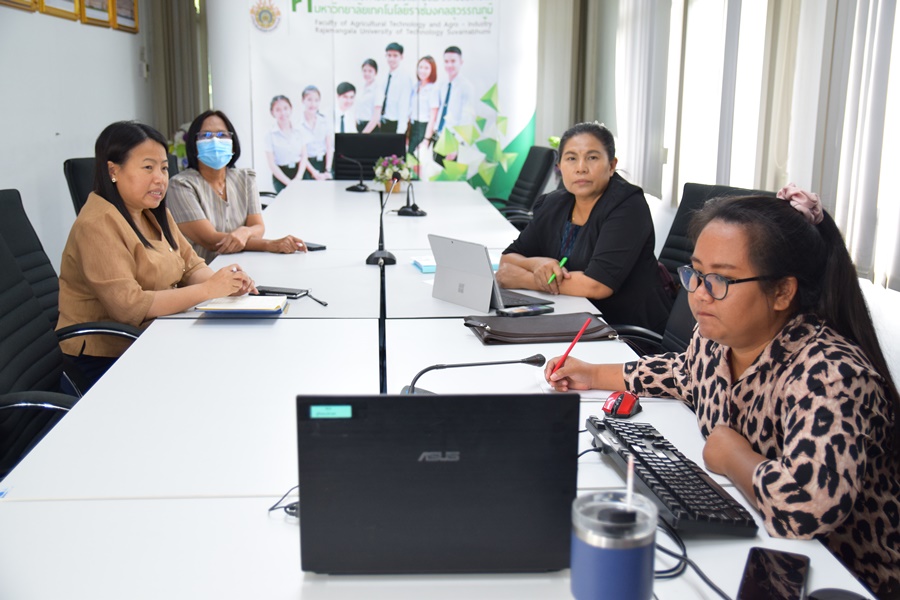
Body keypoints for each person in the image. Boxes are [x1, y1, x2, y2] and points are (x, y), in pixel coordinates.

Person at [544, 186, 900, 598]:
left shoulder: (829, 374)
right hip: (759, 542)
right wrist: (593, 374)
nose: (697, 293)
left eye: (721, 280)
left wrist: (733, 456)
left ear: (783, 291)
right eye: (695, 273)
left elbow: (805, 507)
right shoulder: (717, 337)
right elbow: (685, 374)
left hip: (843, 577)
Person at [57, 121, 255, 390]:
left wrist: (225, 285)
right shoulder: (96, 224)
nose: (160, 178)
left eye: (163, 168)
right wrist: (209, 290)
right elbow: (130, 306)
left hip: (151, 337)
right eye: (148, 167)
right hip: (105, 358)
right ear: (113, 170)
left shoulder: (151, 210)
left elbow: (190, 264)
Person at [497, 122, 672, 334]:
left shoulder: (628, 206)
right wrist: (537, 264)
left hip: (622, 331)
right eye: (571, 158)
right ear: (560, 166)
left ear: (612, 165)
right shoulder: (553, 204)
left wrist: (526, 279)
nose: (581, 167)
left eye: (592, 157)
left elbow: (597, 285)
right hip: (570, 316)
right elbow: (508, 260)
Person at [167, 110, 307, 263]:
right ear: (194, 145)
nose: (215, 141)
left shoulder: (245, 177)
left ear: (233, 144)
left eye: (222, 135)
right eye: (206, 135)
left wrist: (244, 232)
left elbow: (258, 227)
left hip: (244, 265)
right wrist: (270, 244)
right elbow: (211, 240)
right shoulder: (180, 185)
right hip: (203, 275)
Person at [433, 46, 475, 165]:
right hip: (439, 135)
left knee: (448, 180)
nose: (449, 65)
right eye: (446, 61)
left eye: (453, 61)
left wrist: (456, 146)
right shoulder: (443, 84)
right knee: (434, 176)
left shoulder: (466, 86)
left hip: (453, 139)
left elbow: (467, 119)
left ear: (461, 62)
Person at [264, 95, 308, 193]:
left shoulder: (299, 130)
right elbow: (272, 164)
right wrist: (289, 183)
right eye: (278, 110)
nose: (282, 113)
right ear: (272, 112)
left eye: (285, 108)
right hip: (281, 176)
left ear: (291, 109)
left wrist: (298, 178)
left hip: (300, 174)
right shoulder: (270, 135)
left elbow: (304, 155)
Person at [409, 55, 440, 169]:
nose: (422, 70)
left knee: (418, 163)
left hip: (424, 128)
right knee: (409, 159)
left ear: (432, 70)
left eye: (426, 68)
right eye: (420, 67)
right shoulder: (415, 86)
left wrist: (426, 140)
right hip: (413, 127)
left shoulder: (433, 89)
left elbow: (433, 116)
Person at [298, 85, 334, 180]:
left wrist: (328, 170)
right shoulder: (298, 125)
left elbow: (329, 147)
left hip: (324, 164)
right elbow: (301, 153)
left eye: (316, 100)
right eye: (309, 100)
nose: (313, 104)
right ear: (303, 100)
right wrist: (314, 173)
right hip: (307, 166)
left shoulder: (324, 121)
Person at [379, 42, 414, 135]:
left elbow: (404, 106)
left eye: (395, 56)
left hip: (395, 124)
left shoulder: (404, 78)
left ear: (401, 57)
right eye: (389, 55)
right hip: (382, 122)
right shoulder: (384, 75)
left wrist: (400, 132)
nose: (391, 59)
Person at [357, 58, 384, 134]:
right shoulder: (361, 88)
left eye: (370, 71)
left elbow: (376, 117)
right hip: (360, 126)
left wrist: (364, 134)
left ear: (375, 72)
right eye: (364, 71)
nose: (367, 74)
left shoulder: (378, 90)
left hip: (371, 128)